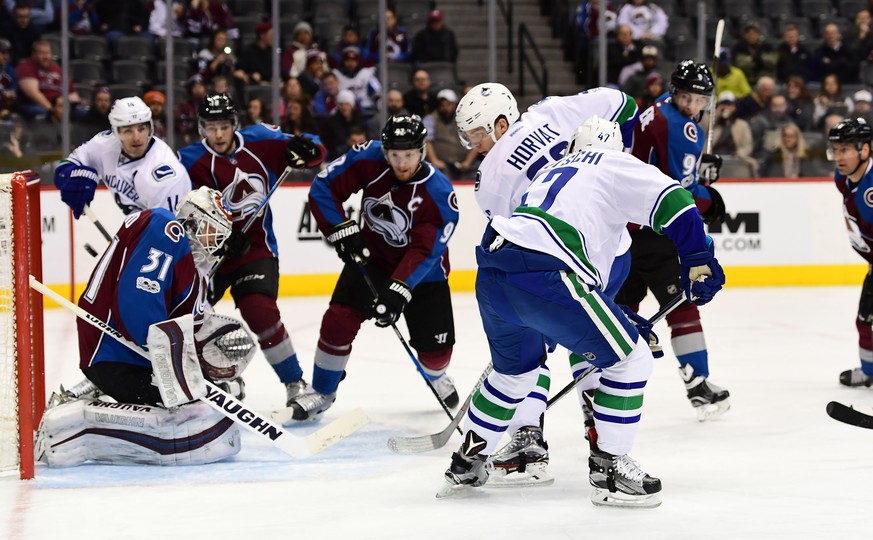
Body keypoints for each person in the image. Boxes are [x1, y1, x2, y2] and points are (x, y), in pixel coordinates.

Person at [439, 116, 725, 508]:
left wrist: (620, 320)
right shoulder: (610, 163)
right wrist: (697, 255)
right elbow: (673, 198)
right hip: (547, 273)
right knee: (631, 360)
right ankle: (609, 469)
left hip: (495, 273)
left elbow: (590, 294)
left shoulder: (552, 174)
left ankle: (467, 463)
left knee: (514, 376)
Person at [454, 82, 639, 485]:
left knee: (529, 352)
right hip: (612, 251)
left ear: (501, 124)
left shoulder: (489, 180)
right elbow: (625, 104)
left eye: (478, 134)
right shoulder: (549, 112)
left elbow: (518, 236)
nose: (474, 145)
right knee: (593, 345)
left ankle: (527, 438)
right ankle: (599, 433)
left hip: (551, 267)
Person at [34, 187, 253, 467]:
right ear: (194, 220)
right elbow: (138, 305)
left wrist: (203, 367)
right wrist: (176, 369)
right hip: (112, 353)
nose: (217, 241)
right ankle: (73, 424)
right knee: (191, 413)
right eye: (214, 229)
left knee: (218, 396)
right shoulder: (167, 228)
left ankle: (89, 394)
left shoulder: (192, 268)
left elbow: (190, 325)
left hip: (131, 356)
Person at [291, 114, 460, 422]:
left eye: (409, 155)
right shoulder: (369, 158)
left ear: (422, 151)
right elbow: (324, 186)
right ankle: (322, 391)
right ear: (385, 151)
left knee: (436, 357)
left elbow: (425, 250)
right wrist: (341, 229)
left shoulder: (438, 194)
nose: (402, 163)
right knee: (338, 321)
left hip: (424, 275)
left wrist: (398, 291)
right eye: (395, 155)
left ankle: (436, 375)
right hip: (372, 259)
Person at [177, 93, 327, 406]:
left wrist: (310, 149)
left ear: (234, 124)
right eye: (210, 127)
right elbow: (177, 210)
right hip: (206, 258)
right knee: (188, 318)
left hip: (255, 251)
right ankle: (222, 376)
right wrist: (216, 237)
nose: (217, 134)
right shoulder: (187, 161)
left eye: (223, 126)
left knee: (260, 312)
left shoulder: (260, 140)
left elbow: (311, 149)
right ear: (201, 128)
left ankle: (294, 382)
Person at [617, 60, 731, 421]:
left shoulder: (658, 110)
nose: (692, 105)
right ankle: (697, 384)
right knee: (682, 305)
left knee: (622, 308)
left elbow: (661, 163)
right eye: (686, 97)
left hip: (624, 227)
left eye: (698, 100)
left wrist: (698, 168)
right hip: (655, 229)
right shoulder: (684, 128)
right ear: (675, 92)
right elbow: (679, 189)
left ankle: (606, 384)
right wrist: (708, 197)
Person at [54, 96, 192, 219]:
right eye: (128, 131)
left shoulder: (165, 177)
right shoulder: (104, 145)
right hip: (141, 231)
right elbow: (65, 166)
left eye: (141, 129)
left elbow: (171, 238)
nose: (136, 137)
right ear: (115, 132)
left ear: (150, 128)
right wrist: (70, 178)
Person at [828, 118, 873, 387]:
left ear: (864, 150)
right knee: (863, 320)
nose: (838, 157)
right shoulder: (843, 178)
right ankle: (869, 371)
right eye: (836, 150)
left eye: (845, 150)